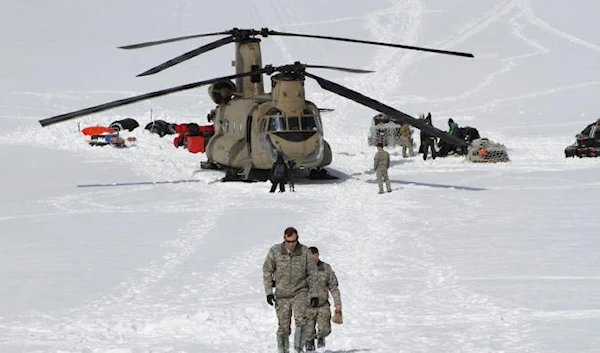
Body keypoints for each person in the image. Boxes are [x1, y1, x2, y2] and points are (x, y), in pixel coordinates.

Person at [263, 227, 318, 353]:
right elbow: (267, 270)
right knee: (283, 327)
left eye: (293, 241)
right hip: (282, 294)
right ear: (284, 239)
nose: (291, 244)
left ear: (297, 239)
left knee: (301, 321)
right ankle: (283, 350)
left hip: (300, 292)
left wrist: (314, 294)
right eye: (288, 241)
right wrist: (268, 292)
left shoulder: (304, 251)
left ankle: (299, 349)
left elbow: (313, 273)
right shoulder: (276, 251)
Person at [305, 247, 342, 351]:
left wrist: (338, 303)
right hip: (307, 306)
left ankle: (321, 338)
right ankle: (310, 346)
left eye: (315, 257)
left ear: (318, 255)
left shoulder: (326, 268)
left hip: (322, 305)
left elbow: (333, 287)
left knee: (325, 329)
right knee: (308, 333)